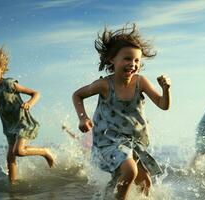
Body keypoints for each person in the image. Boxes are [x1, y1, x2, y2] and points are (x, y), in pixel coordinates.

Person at [72, 24, 171, 200]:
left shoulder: (141, 82)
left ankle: (109, 195)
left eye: (136, 61)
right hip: (109, 139)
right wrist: (83, 118)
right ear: (112, 59)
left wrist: (166, 90)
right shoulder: (104, 85)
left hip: (134, 141)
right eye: (127, 59)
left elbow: (163, 105)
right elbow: (77, 95)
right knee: (130, 170)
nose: (132, 64)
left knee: (145, 183)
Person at [0, 46, 55, 184]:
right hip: (9, 126)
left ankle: (45, 151)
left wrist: (29, 103)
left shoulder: (9, 84)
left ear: (1, 69)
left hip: (23, 122)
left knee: (19, 151)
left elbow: (36, 93)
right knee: (10, 158)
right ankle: (13, 187)